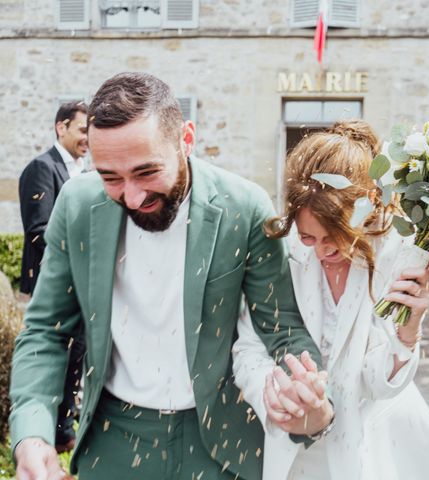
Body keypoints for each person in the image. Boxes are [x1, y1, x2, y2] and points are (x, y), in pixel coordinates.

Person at [10, 72, 330, 480]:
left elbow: (282, 329)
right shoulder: (75, 205)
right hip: (112, 440)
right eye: (110, 176)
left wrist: (308, 392)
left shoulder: (245, 207)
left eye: (146, 172)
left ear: (186, 139)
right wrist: (32, 435)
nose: (131, 196)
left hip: (221, 444)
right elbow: (45, 331)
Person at [232, 121, 429, 480]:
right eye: (309, 237)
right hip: (294, 451)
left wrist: (407, 333)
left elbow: (378, 384)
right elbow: (248, 346)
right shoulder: (278, 252)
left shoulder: (395, 256)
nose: (322, 251)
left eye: (336, 238)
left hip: (375, 446)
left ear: (366, 213)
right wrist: (278, 396)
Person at [17, 101, 89, 453]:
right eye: (82, 130)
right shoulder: (41, 168)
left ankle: (66, 424)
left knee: (80, 352)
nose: (88, 138)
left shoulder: (85, 171)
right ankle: (48, 431)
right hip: (53, 281)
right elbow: (38, 230)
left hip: (80, 284)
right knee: (54, 352)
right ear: (61, 127)